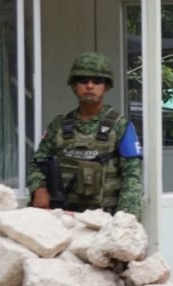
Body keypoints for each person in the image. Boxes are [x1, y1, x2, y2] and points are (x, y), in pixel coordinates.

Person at [28, 52, 142, 220]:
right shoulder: (58, 126)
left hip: (104, 219)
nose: (90, 86)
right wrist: (39, 189)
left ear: (107, 86)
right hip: (63, 217)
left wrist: (125, 219)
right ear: (74, 85)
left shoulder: (120, 125)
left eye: (97, 81)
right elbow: (37, 163)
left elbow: (132, 176)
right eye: (83, 80)